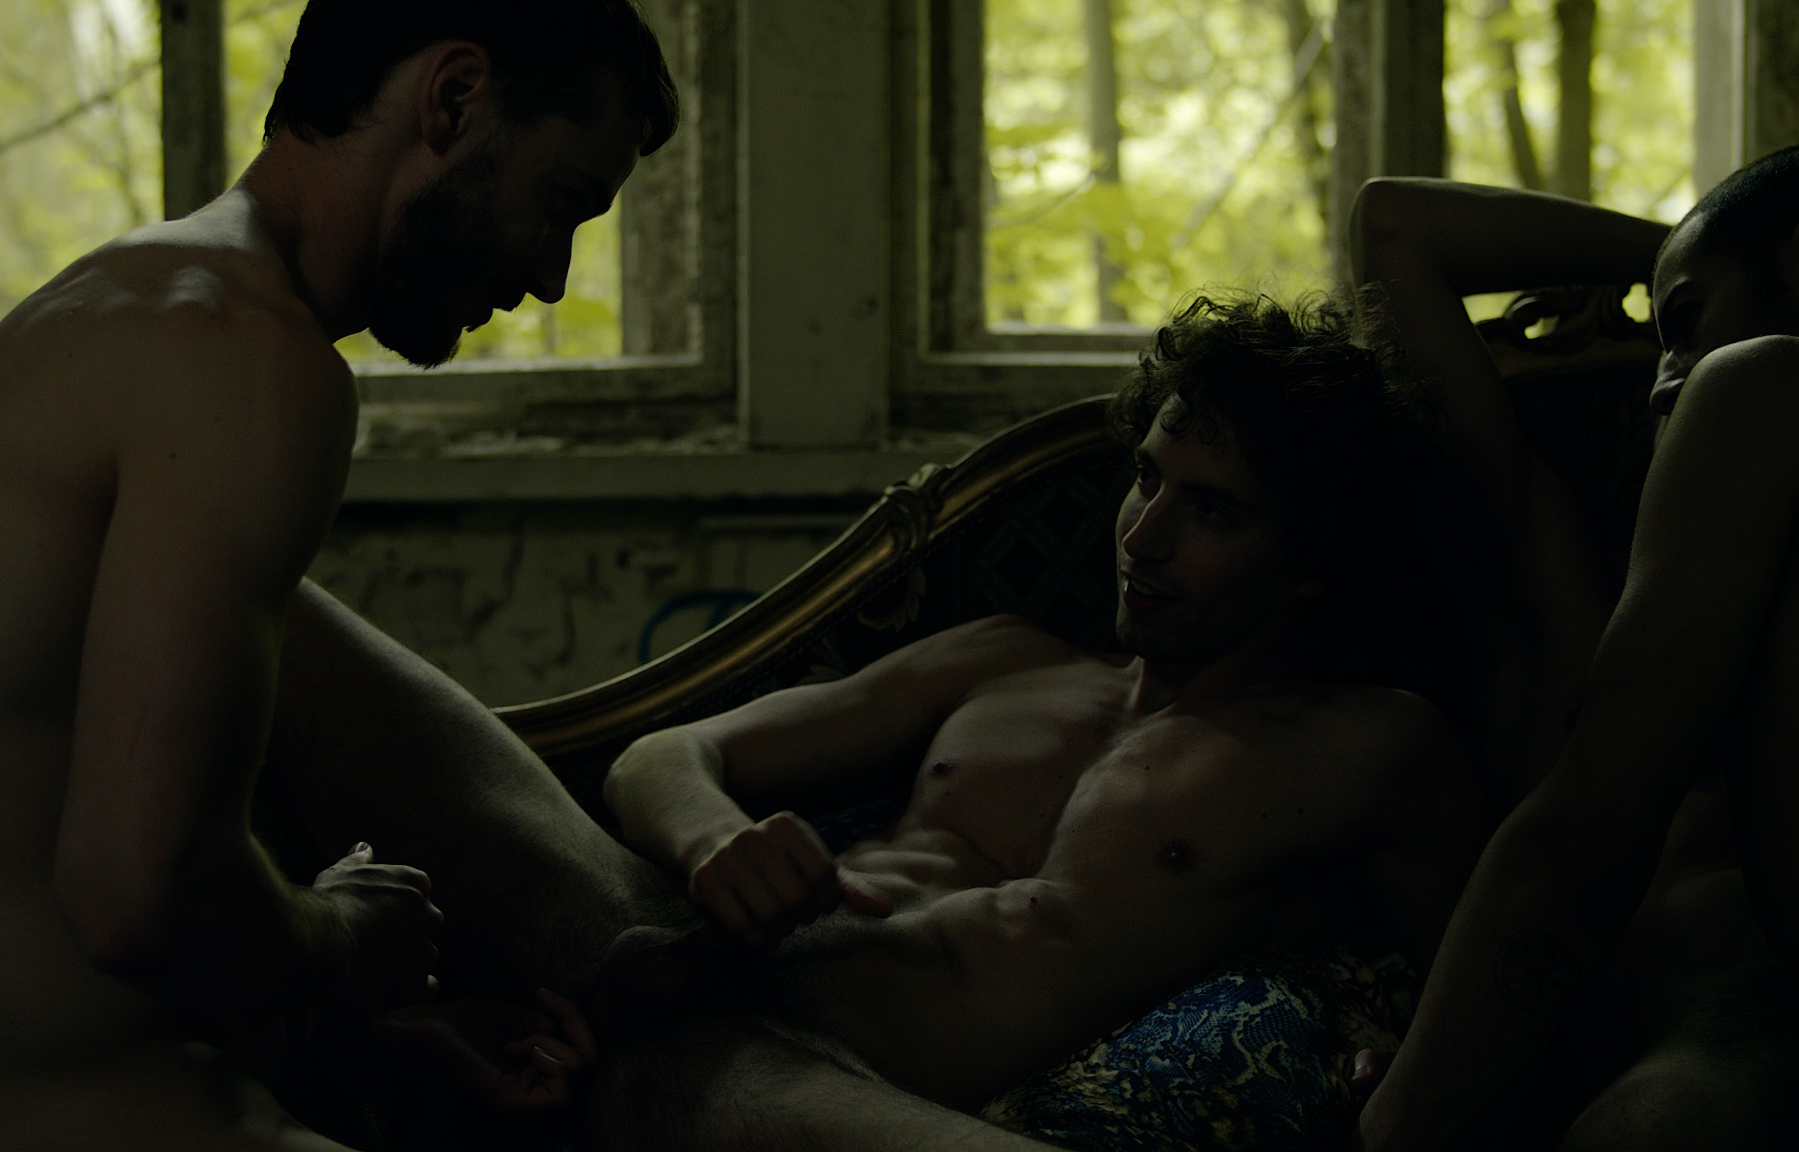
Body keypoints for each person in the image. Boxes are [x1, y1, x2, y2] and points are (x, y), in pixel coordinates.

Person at [0, 2, 679, 1149]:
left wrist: (357, 1044)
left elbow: (45, 921)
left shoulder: (124, 305)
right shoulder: (246, 359)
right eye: (562, 202)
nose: (551, 276)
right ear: (451, 99)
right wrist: (347, 939)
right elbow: (136, 898)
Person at [594, 293, 1488, 1124]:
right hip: (709, 1004)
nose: (1143, 537)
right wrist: (715, 840)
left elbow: (1503, 984)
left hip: (855, 1103)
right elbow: (656, 758)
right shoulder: (1004, 658)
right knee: (500, 772)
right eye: (1147, 479)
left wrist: (1399, 1054)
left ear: (1316, 561)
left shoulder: (1366, 748)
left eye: (1213, 512)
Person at [1351, 153, 1799, 1151]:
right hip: (1614, 1065)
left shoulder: (1762, 391)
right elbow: (1396, 226)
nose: (1661, 386)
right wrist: (1688, 251)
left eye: (1684, 326)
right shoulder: (1569, 615)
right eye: (1657, 346)